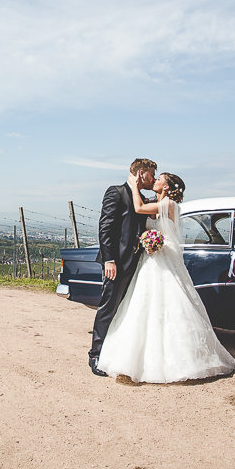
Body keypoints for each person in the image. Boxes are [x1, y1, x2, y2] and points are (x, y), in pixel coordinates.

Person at [96, 171, 235, 383]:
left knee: (171, 303)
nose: (155, 181)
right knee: (144, 305)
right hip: (149, 259)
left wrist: (134, 185)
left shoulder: (170, 205)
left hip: (164, 258)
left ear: (166, 186)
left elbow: (139, 209)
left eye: (159, 179)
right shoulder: (156, 202)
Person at [89, 158, 157, 376]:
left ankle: (114, 353)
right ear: (140, 173)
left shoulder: (142, 199)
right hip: (116, 263)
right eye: (151, 174)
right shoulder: (116, 192)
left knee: (125, 309)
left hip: (136, 263)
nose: (152, 179)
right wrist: (109, 259)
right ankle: (96, 354)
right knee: (109, 306)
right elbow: (106, 227)